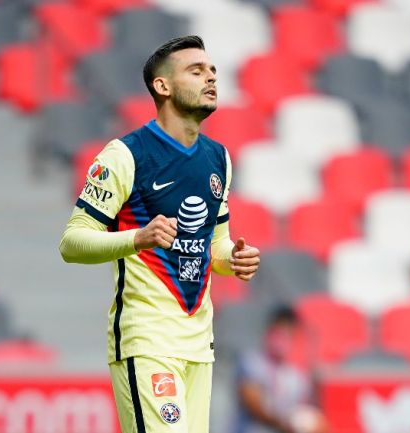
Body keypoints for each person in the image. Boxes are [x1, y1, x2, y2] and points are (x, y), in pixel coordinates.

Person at [59, 35, 261, 433]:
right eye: (196, 70)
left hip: (199, 344)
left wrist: (230, 259)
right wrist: (137, 238)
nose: (211, 78)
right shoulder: (125, 155)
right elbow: (72, 243)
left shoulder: (217, 157)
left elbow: (213, 244)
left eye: (213, 71)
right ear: (162, 86)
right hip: (147, 340)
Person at [234, 306, 329, 433]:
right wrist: (283, 424)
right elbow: (253, 402)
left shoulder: (296, 376)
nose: (282, 338)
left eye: (288, 332)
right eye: (279, 331)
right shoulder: (251, 362)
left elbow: (307, 412)